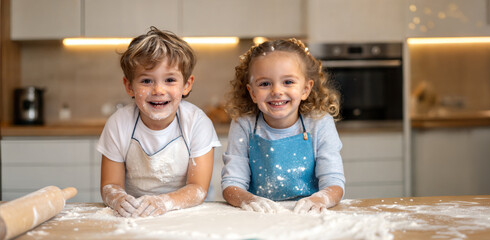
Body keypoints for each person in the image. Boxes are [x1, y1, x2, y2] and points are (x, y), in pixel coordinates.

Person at [98, 27, 221, 218]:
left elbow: (197, 187)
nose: (158, 90)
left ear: (186, 85)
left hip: (188, 213)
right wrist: (120, 200)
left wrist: (163, 202)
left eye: (170, 80)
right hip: (136, 215)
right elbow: (110, 186)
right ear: (129, 86)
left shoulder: (197, 123)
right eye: (147, 81)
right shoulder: (119, 123)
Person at [221, 39, 346, 214]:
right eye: (265, 84)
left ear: (306, 89)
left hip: (308, 214)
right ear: (252, 93)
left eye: (288, 82)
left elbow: (333, 182)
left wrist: (319, 199)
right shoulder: (244, 124)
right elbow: (232, 184)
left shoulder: (319, 123)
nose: (277, 91)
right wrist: (248, 200)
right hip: (258, 215)